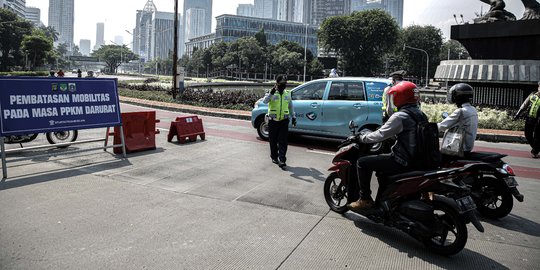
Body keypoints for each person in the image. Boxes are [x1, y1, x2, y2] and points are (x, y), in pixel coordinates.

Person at [348, 81, 425, 210]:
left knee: (362, 162)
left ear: (400, 96)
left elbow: (379, 135)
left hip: (402, 160)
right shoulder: (420, 114)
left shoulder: (400, 116)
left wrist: (362, 138)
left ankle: (365, 199)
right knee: (382, 168)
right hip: (417, 160)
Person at [262, 75, 296, 168]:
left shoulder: (287, 94)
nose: (283, 85)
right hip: (273, 121)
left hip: (284, 121)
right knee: (273, 141)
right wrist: (271, 94)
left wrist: (293, 116)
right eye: (281, 84)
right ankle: (274, 156)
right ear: (277, 83)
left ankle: (282, 160)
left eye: (285, 84)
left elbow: (290, 106)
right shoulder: (271, 92)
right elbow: (264, 101)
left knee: (283, 141)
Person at [438, 83, 479, 157]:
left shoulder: (460, 112)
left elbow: (442, 126)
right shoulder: (473, 110)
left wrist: (430, 127)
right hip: (468, 148)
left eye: (454, 95)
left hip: (458, 148)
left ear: (458, 97)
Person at [514, 81, 540, 158]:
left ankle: (535, 151)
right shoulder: (532, 95)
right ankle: (536, 149)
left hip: (538, 120)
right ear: (538, 87)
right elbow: (524, 105)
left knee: (537, 137)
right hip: (530, 118)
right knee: (527, 134)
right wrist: (517, 114)